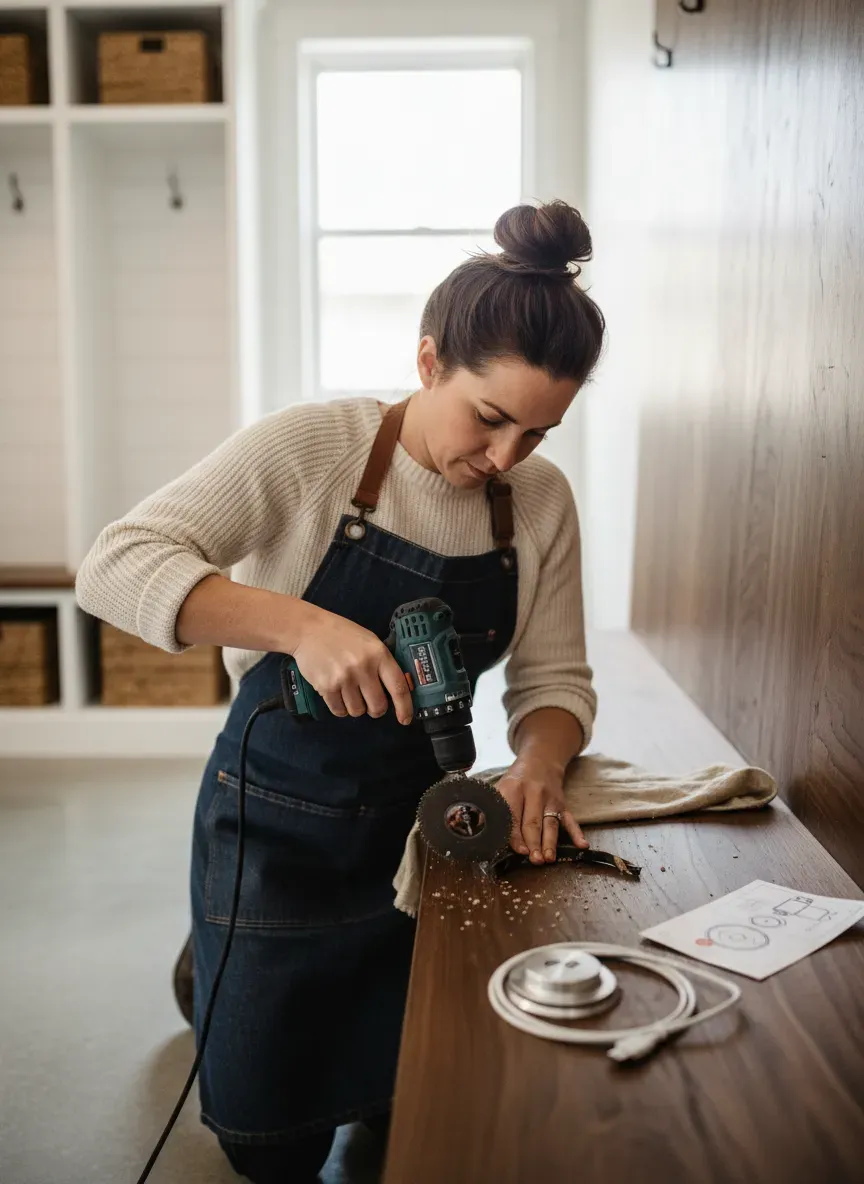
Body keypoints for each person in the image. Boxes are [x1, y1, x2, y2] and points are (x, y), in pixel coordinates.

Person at [75, 198, 605, 1183]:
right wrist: (302, 624)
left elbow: (555, 675)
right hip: (275, 820)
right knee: (264, 1133)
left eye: (539, 432)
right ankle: (217, 973)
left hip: (419, 832)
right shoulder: (315, 448)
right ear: (428, 359)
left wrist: (539, 760)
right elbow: (113, 562)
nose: (505, 458)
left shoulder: (538, 500)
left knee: (397, 1084)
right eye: (490, 418)